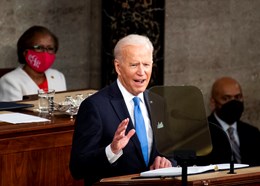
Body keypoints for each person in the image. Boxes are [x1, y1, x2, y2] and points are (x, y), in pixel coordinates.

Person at [69, 34, 175, 185]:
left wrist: (168, 161)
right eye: (134, 65)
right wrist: (111, 151)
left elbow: (172, 152)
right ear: (118, 67)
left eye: (146, 64)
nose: (141, 72)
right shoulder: (95, 106)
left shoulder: (158, 102)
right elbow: (77, 168)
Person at [198, 76, 260, 166]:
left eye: (238, 97)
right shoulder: (202, 134)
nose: (233, 102)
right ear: (213, 102)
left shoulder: (252, 133)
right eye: (226, 98)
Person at [0, 25, 66, 101]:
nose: (45, 53)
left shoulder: (58, 76)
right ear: (25, 52)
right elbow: (12, 112)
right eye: (39, 48)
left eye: (50, 48)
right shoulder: (9, 81)